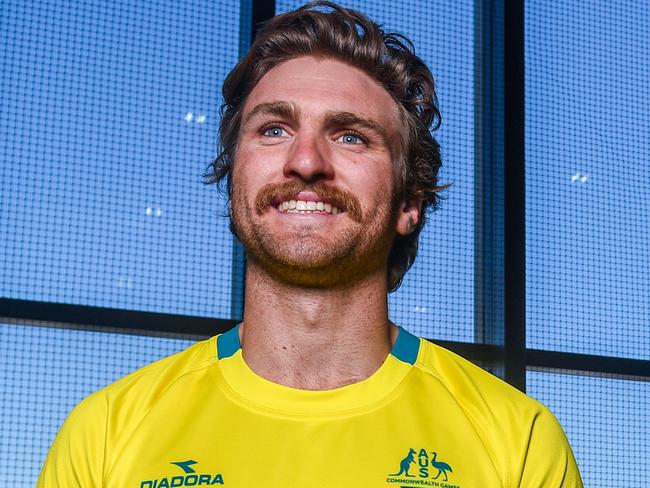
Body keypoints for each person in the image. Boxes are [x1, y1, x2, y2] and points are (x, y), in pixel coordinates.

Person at [38, 2, 583, 487]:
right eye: (273, 129)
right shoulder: (107, 434)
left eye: (351, 137)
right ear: (234, 178)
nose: (305, 161)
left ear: (408, 202)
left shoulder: (518, 442)